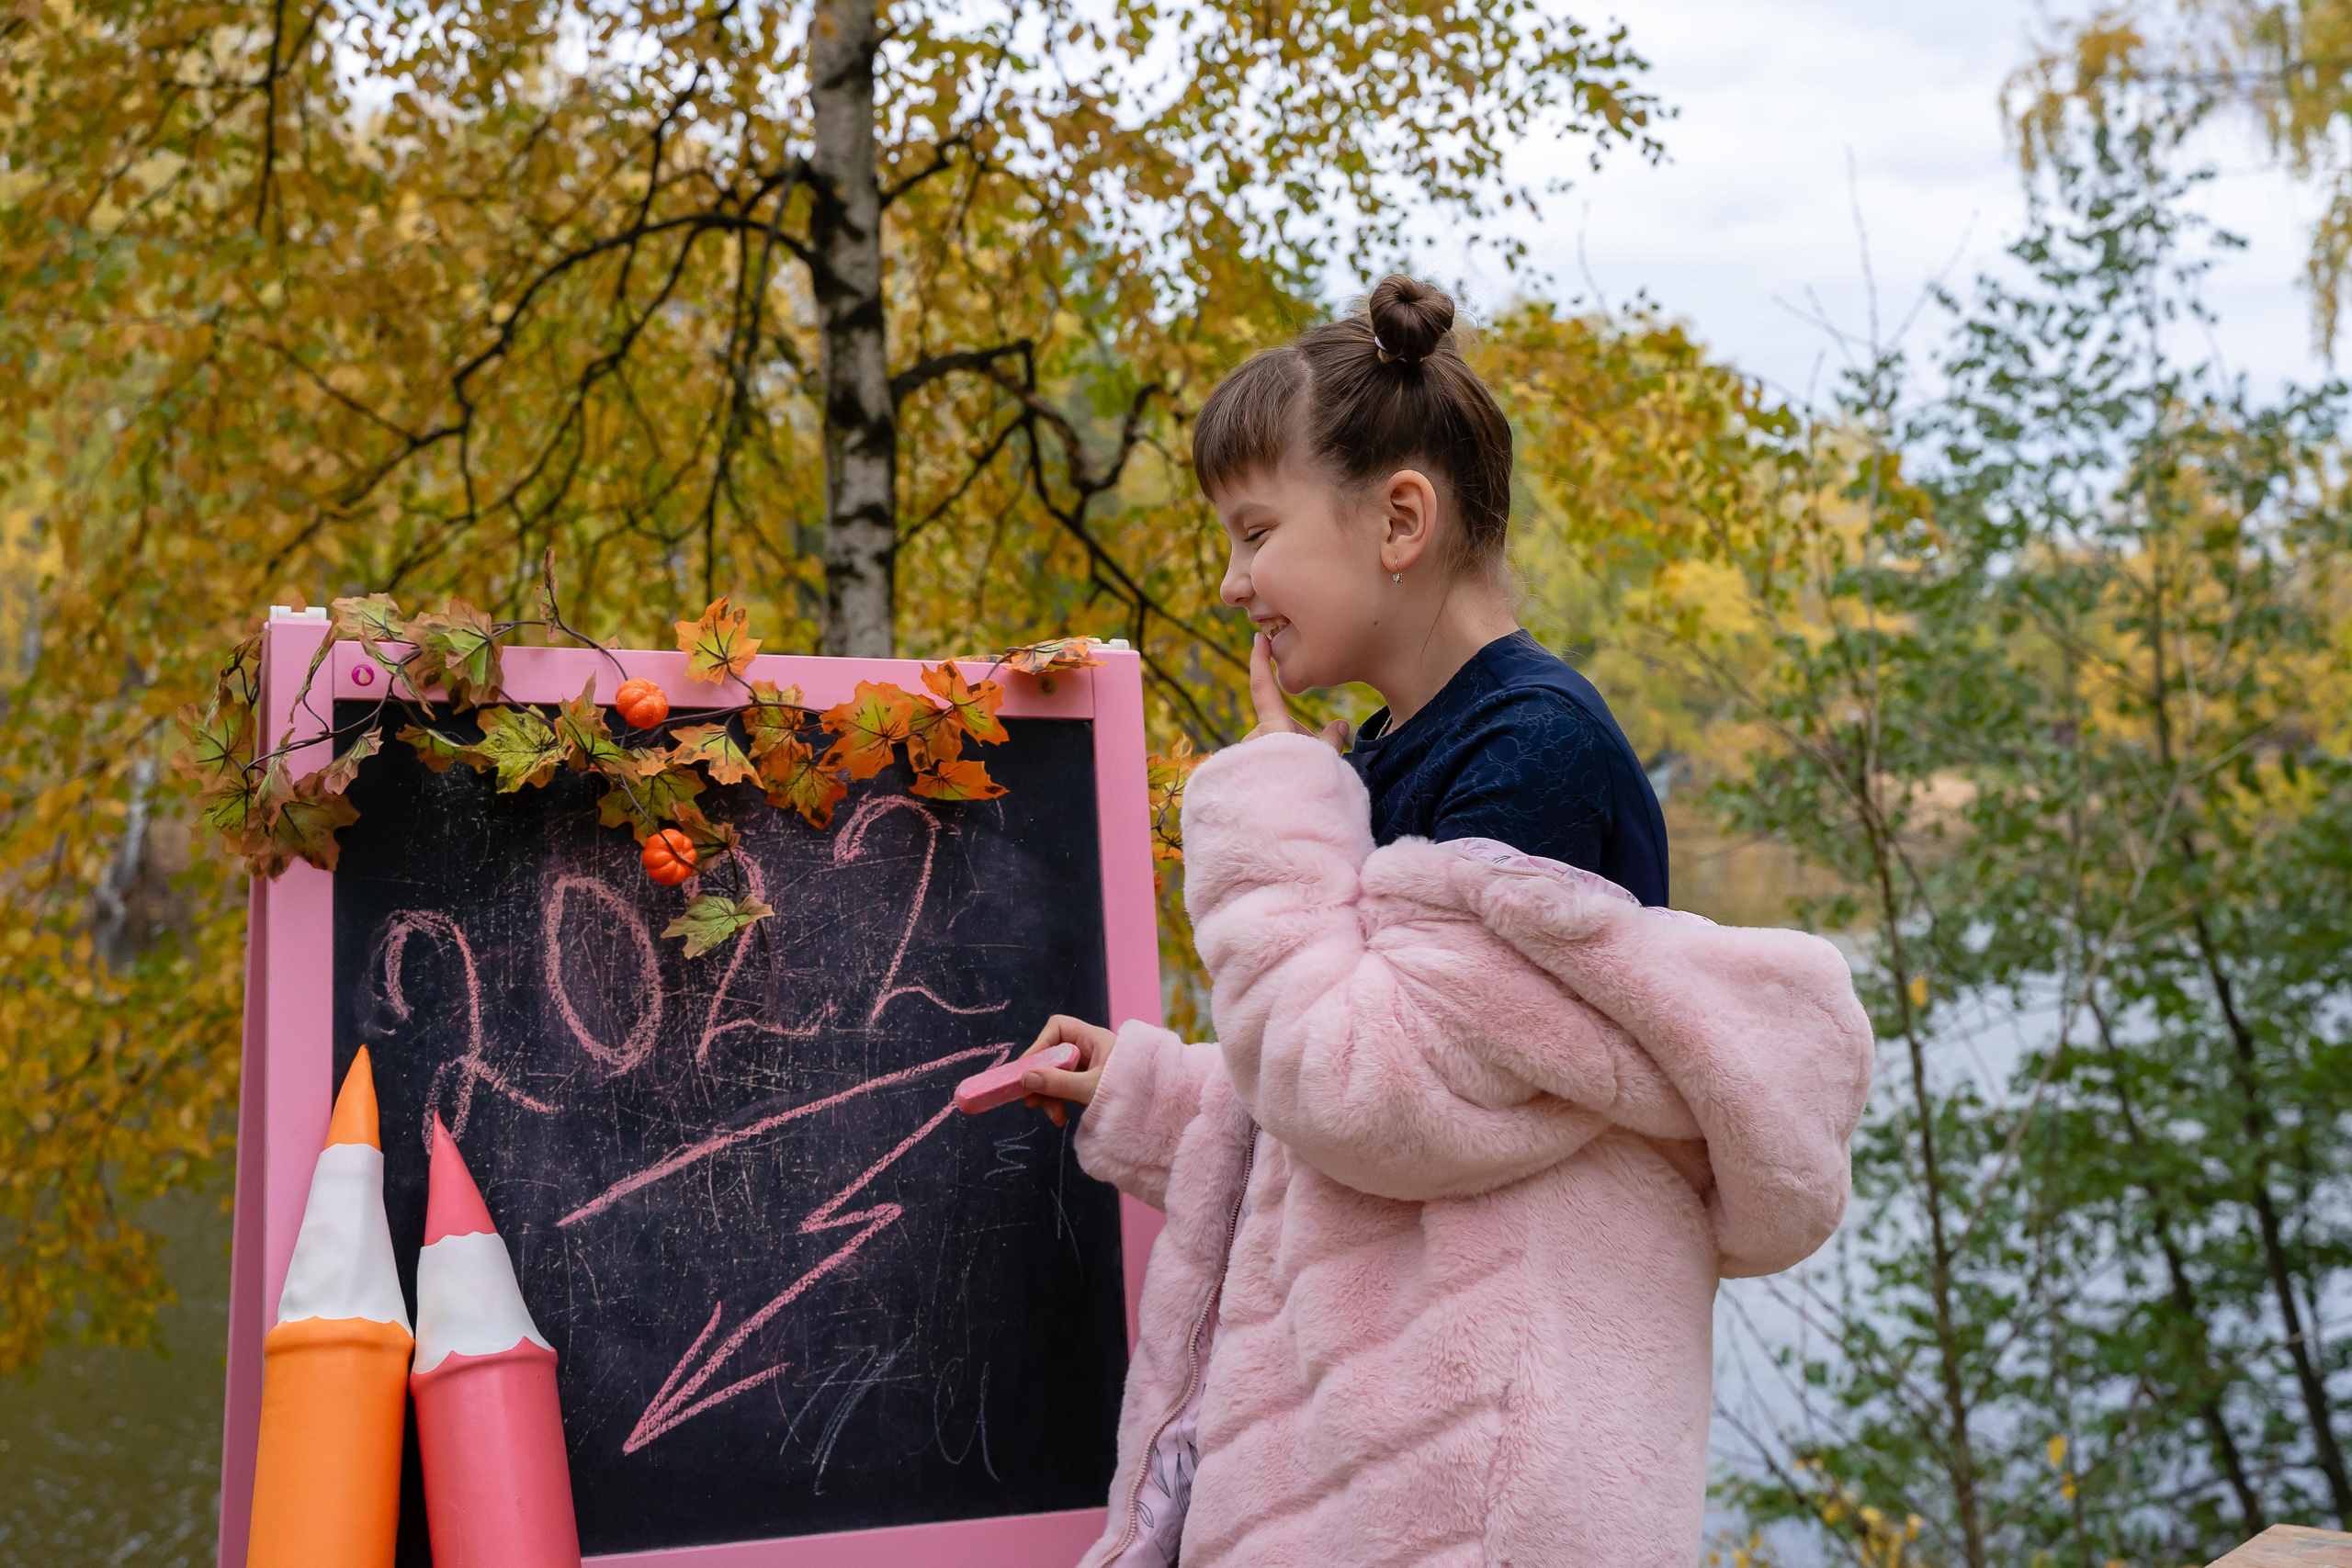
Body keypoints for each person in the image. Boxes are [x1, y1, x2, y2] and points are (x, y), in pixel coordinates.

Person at [1021, 276, 1873, 1568]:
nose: (1231, 581)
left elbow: (1375, 1093)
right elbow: (1403, 1095)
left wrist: (1270, 797)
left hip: (1479, 1493)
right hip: (1395, 1471)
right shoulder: (1397, 753)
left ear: (1401, 520)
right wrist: (1146, 1094)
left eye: (1255, 533)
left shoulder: (1531, 754)